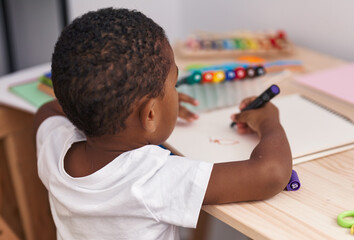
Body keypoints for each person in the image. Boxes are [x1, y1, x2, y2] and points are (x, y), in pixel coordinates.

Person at [35, 8, 292, 240]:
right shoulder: (151, 179)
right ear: (150, 115)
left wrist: (126, 109)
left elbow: (47, 110)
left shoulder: (54, 147)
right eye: (174, 86)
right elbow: (271, 174)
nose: (176, 94)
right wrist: (270, 122)